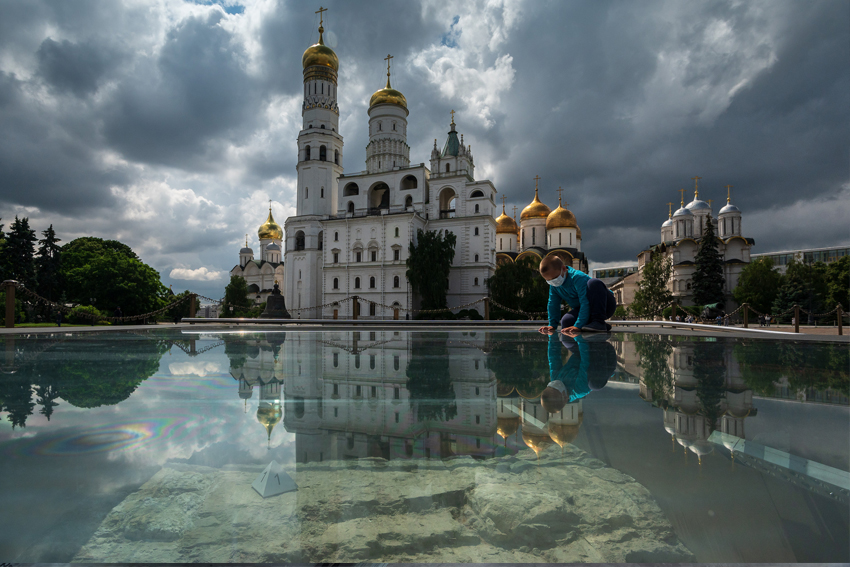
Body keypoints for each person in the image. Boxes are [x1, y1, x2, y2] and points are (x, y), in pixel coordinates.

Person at [537, 256, 616, 336]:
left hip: (605, 305)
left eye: (555, 278)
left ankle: (599, 322)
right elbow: (553, 304)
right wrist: (552, 325)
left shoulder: (577, 278)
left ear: (563, 269)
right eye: (549, 281)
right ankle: (598, 325)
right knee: (566, 322)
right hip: (583, 309)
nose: (554, 282)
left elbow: (585, 301)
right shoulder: (554, 285)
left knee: (594, 283)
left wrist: (578, 325)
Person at [540, 333, 615, 414]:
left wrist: (552, 335)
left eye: (550, 385)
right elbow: (585, 362)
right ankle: (600, 338)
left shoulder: (555, 381)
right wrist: (579, 337)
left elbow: (553, 358)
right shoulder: (579, 389)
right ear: (565, 398)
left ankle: (591, 336)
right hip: (602, 356)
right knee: (595, 385)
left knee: (565, 338)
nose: (555, 383)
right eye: (557, 387)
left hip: (582, 351)